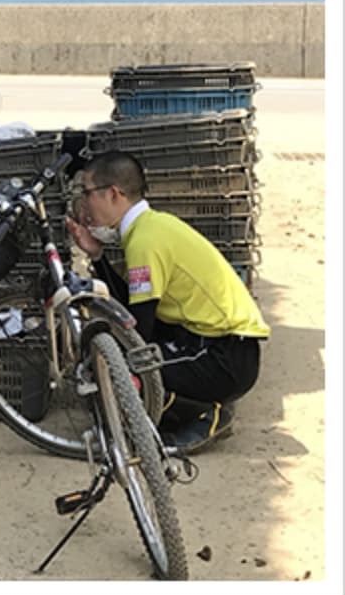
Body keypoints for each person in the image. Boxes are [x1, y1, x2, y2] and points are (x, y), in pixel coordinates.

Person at [65, 151, 270, 454]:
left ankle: (204, 413)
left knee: (121, 370)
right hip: (216, 345)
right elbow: (131, 306)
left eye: (87, 192)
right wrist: (96, 256)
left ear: (113, 194)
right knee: (122, 364)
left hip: (224, 357)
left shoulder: (145, 241)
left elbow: (137, 330)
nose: (84, 205)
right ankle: (188, 403)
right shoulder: (151, 226)